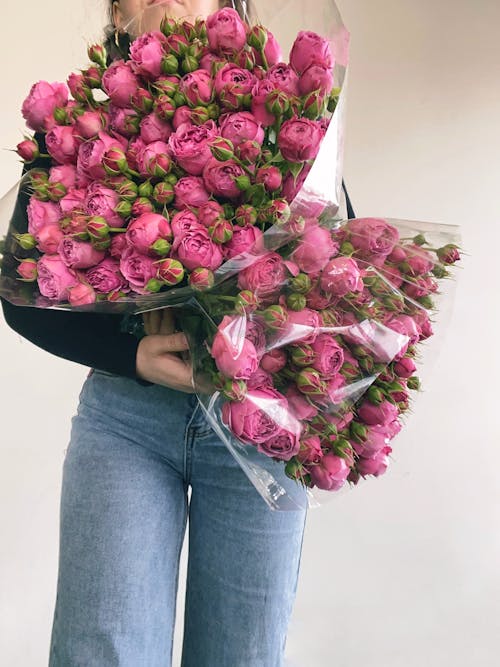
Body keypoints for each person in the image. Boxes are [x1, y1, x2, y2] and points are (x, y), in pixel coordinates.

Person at [0, 2, 318, 665]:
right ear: (119, 14)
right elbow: (22, 294)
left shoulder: (288, 113)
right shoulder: (77, 129)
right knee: (103, 652)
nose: (169, 1)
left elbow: (330, 257)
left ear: (228, 9)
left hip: (256, 428)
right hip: (125, 422)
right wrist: (132, 353)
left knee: (243, 655)